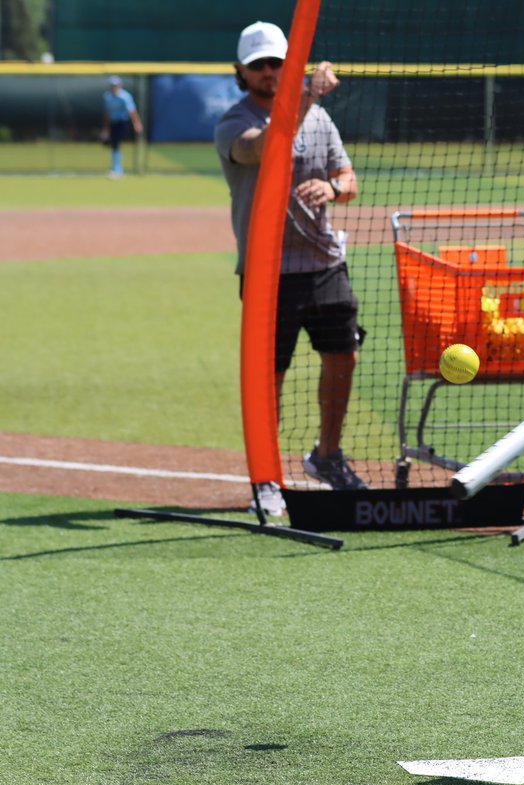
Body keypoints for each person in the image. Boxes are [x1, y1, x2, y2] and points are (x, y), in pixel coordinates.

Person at [214, 20, 368, 516]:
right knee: (269, 377)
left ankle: (327, 456)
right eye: (258, 65)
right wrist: (307, 95)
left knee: (343, 358)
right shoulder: (234, 122)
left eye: (277, 62)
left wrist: (334, 188)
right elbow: (264, 146)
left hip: (325, 263)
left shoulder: (320, 119)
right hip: (267, 274)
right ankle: (267, 476)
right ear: (241, 70)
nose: (268, 72)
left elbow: (349, 176)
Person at [101, 76, 143, 178]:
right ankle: (116, 168)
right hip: (113, 123)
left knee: (116, 143)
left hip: (123, 122)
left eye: (115, 85)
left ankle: (117, 169)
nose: (114, 87)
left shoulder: (125, 96)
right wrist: (106, 129)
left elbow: (132, 111)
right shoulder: (108, 97)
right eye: (112, 85)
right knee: (114, 145)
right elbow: (107, 114)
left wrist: (137, 123)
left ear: (119, 85)